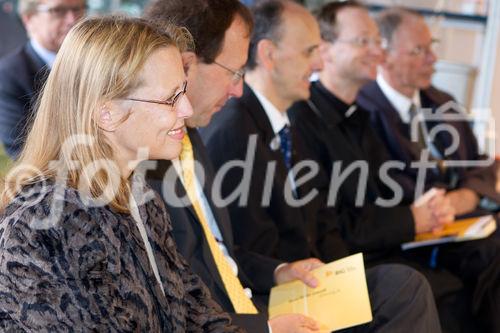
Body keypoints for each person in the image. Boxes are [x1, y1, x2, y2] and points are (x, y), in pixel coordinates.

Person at [201, 1, 442, 332]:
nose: (318, 62)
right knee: (403, 287)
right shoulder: (234, 129)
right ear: (269, 55)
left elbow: (320, 219)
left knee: (406, 281)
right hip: (274, 294)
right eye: (309, 51)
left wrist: (339, 276)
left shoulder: (285, 123)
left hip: (309, 277)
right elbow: (243, 247)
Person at [0, 16, 242, 332]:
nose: (185, 108)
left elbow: (193, 312)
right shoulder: (45, 223)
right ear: (107, 114)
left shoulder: (141, 198)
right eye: (171, 98)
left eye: (183, 91)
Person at [288, 2, 500, 331]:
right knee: (433, 286)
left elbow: (386, 195)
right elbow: (331, 227)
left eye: (378, 42)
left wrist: (432, 209)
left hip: (388, 246)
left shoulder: (359, 117)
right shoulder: (304, 119)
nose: (377, 52)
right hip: (338, 267)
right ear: (325, 51)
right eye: (364, 42)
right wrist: (415, 216)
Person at [144, 1, 326, 331]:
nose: (238, 88)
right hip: (227, 321)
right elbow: (171, 302)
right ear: (187, 65)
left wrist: (278, 271)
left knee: (398, 287)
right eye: (234, 72)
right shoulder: (144, 161)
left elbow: (219, 253)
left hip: (248, 305)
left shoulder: (193, 138)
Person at [357, 7, 499, 216]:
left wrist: (465, 197)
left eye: (431, 47)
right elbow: (387, 187)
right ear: (384, 56)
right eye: (418, 51)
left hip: (467, 221)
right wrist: (447, 204)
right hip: (411, 235)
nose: (432, 58)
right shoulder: (363, 111)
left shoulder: (443, 102)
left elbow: (479, 163)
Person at [0, 0, 86, 158]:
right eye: (58, 11)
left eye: (78, 9)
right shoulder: (9, 74)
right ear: (29, 18)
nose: (72, 20)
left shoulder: (95, 65)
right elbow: (21, 151)